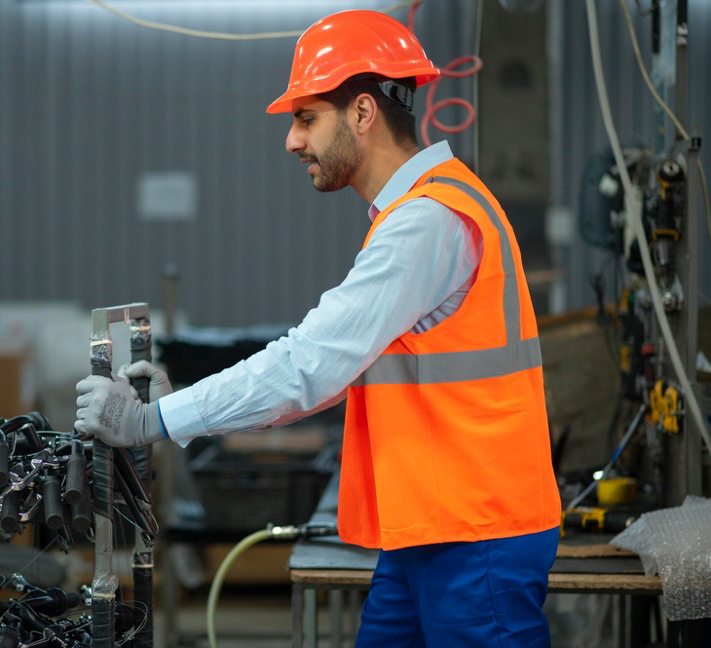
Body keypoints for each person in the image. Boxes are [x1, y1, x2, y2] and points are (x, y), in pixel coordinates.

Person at [76, 10, 561, 647]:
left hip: (477, 537)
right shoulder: (421, 212)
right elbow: (330, 367)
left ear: (362, 112)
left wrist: (152, 421)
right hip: (433, 525)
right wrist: (178, 403)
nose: (292, 140)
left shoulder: (427, 223)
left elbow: (308, 366)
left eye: (306, 118)